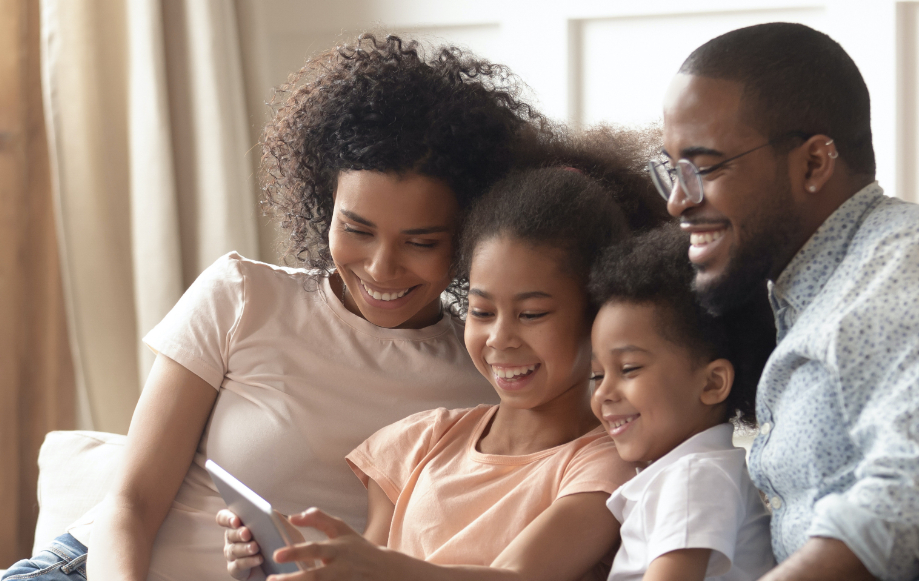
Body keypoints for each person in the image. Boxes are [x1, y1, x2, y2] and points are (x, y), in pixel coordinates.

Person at [3, 34, 542, 581]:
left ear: (470, 237)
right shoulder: (241, 296)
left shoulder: (487, 381)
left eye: (421, 242)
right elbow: (130, 505)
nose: (381, 268)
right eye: (356, 229)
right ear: (322, 204)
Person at [655, 21, 919, 581]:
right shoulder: (805, 290)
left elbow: (910, 503)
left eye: (704, 168)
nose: (678, 201)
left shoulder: (918, 260)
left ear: (813, 163)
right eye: (670, 170)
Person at [223, 165, 669, 581]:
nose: (501, 338)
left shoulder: (606, 465)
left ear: (598, 317)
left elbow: (519, 575)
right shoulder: (421, 441)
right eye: (481, 310)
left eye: (532, 314)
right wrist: (294, 555)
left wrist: (380, 568)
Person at [588, 225, 776, 581]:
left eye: (628, 368)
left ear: (712, 383)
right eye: (597, 375)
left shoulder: (695, 477)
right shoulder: (686, 473)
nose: (603, 393)